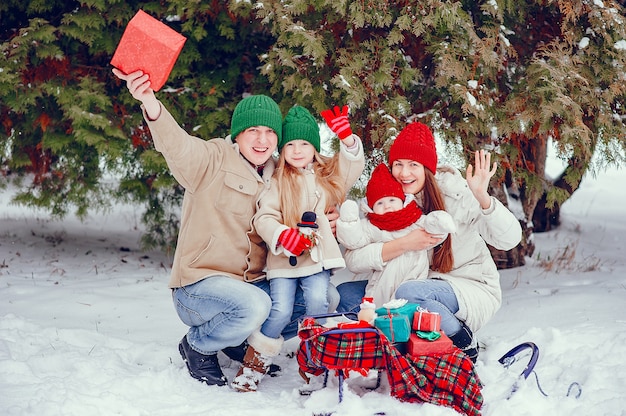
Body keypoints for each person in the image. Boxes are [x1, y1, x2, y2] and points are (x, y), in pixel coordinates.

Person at [111, 68, 339, 387]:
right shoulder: (212, 159)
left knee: (323, 296)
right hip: (200, 287)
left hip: (251, 283)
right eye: (253, 131)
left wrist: (327, 221)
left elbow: (312, 205)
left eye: (270, 133)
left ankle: (237, 344)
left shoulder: (281, 177)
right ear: (238, 134)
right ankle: (199, 346)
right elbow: (177, 146)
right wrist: (149, 101)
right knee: (256, 305)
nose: (262, 140)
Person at [336, 122, 522, 362]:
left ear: (427, 168)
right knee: (345, 296)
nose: (404, 173)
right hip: (413, 283)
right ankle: (387, 350)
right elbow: (353, 257)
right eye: (398, 165)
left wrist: (483, 198)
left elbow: (509, 240)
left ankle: (463, 343)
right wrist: (405, 244)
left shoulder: (455, 196)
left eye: (413, 165)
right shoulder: (388, 202)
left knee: (408, 293)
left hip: (467, 287)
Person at [231, 105, 365, 392]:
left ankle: (316, 363)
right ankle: (252, 367)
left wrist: (348, 140)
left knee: (318, 303)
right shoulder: (277, 181)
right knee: (279, 311)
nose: (297, 149)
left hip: (316, 259)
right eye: (290, 144)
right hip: (284, 261)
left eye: (304, 143)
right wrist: (282, 235)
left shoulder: (327, 177)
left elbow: (352, 166)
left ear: (314, 147)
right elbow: (264, 217)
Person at [336, 162, 456, 307]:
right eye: (380, 203)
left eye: (392, 200)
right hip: (381, 287)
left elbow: (435, 233)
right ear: (371, 207)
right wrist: (348, 224)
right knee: (377, 313)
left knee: (409, 308)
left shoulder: (415, 219)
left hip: (413, 283)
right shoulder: (372, 225)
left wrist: (439, 222)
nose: (387, 206)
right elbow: (354, 241)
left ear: (402, 200)